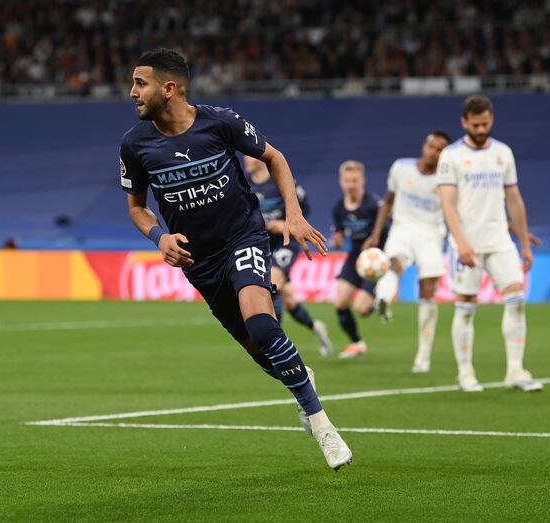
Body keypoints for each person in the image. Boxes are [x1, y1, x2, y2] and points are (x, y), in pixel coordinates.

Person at [119, 48, 352, 469]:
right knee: (262, 353)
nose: (132, 92)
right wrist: (159, 236)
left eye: (140, 83)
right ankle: (301, 382)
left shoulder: (220, 122)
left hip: (243, 238)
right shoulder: (134, 145)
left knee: (262, 325)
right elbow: (137, 207)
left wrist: (294, 216)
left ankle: (321, 425)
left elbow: (274, 157)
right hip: (200, 265)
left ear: (169, 89)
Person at [437, 95, 542, 393]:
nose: (481, 129)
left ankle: (515, 371)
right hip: (466, 244)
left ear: (491, 120)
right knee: (467, 306)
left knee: (516, 299)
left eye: (486, 123)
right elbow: (448, 203)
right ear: (464, 122)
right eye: (476, 124)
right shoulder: (451, 156)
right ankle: (466, 373)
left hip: (499, 240)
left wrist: (524, 242)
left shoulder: (503, 153)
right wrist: (461, 243)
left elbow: (514, 199)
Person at [363, 131, 452, 373]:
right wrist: (375, 234)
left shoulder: (447, 180)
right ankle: (383, 297)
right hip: (402, 229)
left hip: (431, 235)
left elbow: (455, 210)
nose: (434, 152)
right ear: (424, 146)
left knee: (427, 290)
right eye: (431, 146)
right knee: (393, 264)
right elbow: (387, 202)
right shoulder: (401, 168)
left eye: (440, 149)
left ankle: (423, 356)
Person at [244, 155, 333, 358]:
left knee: (272, 284)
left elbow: (302, 215)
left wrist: (284, 224)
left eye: (250, 156)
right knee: (289, 301)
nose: (247, 160)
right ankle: (315, 327)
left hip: (284, 244)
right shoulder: (244, 183)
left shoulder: (280, 182)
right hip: (259, 245)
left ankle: (276, 346)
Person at [331, 161, 384, 359]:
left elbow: (387, 232)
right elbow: (339, 233)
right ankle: (357, 343)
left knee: (361, 309)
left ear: (363, 181)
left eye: (355, 180)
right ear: (340, 181)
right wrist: (337, 239)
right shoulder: (338, 208)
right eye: (347, 180)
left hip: (376, 258)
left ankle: (379, 298)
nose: (350, 184)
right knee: (340, 303)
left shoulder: (374, 205)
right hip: (355, 256)